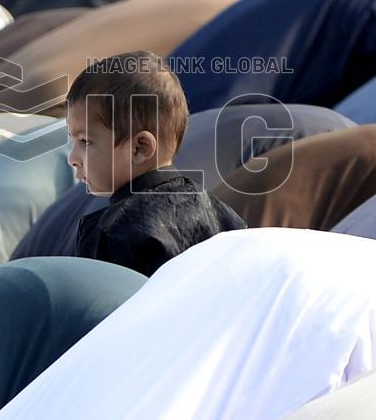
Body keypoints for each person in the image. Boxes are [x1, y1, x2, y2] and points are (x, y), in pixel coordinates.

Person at [66, 50, 246, 275]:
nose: (72, 159)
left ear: (140, 148)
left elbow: (100, 306)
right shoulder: (221, 215)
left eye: (85, 141)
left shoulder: (113, 233)